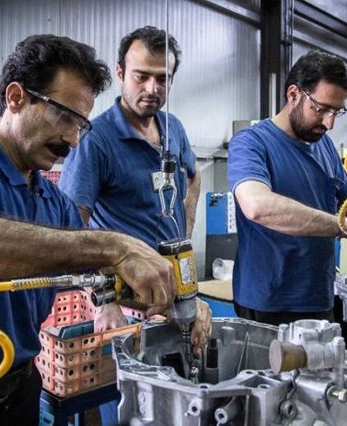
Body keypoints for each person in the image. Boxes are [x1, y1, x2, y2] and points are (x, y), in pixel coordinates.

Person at [0, 34, 190, 425]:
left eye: (81, 125)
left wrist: (178, 298)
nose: (73, 139)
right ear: (16, 97)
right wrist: (115, 246)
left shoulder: (51, 200)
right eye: (64, 117)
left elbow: (103, 271)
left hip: (20, 388)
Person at [58, 27, 208, 425]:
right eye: (142, 76)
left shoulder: (173, 128)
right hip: (129, 305)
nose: (152, 88)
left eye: (163, 78)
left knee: (180, 407)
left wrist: (183, 237)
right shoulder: (96, 140)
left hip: (174, 297)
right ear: (121, 73)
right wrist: (104, 301)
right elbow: (70, 231)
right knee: (131, 412)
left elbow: (194, 177)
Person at [226, 50, 347, 327]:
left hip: (319, 297)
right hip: (268, 301)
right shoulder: (251, 143)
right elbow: (258, 206)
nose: (330, 123)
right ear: (293, 94)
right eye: (322, 108)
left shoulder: (323, 144)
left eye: (336, 111)